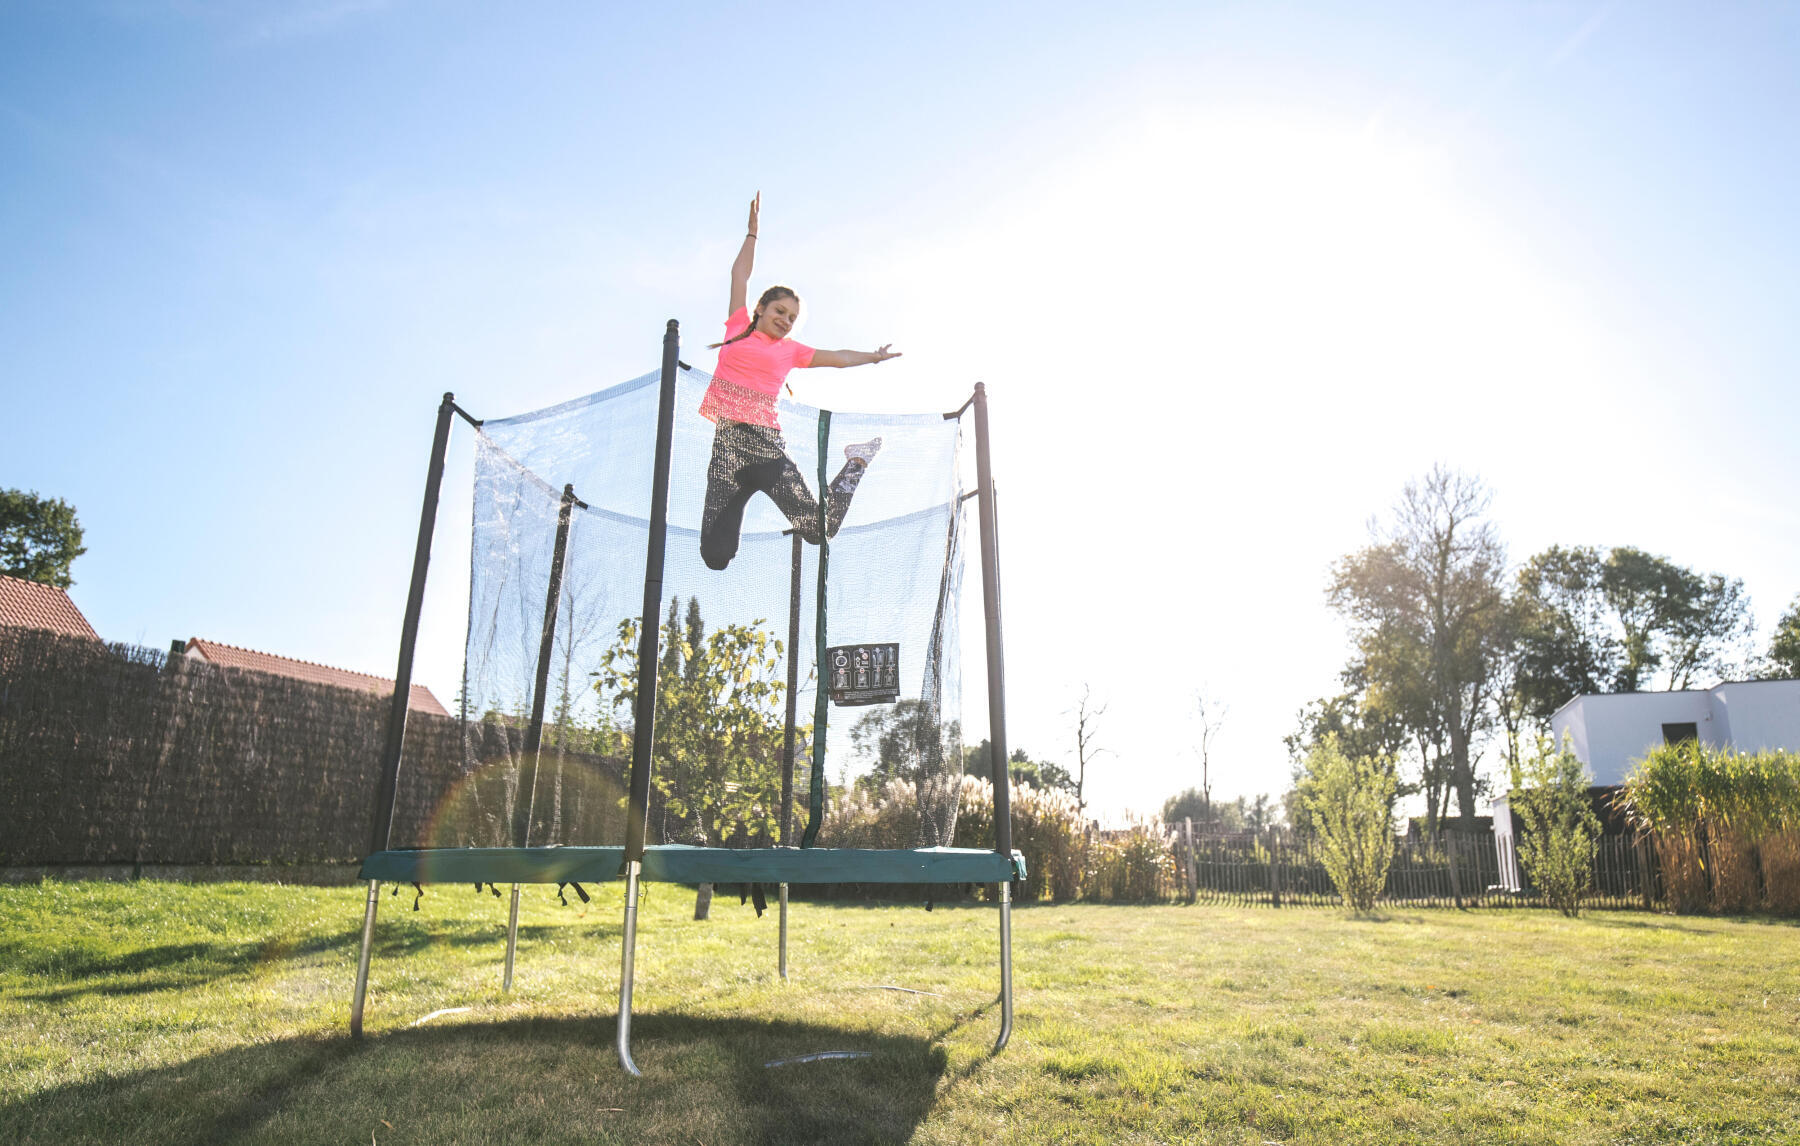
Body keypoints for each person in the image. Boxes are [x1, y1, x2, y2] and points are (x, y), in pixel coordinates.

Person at [698, 193, 901, 571]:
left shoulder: (790, 351)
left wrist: (874, 357)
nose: (785, 320)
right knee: (715, 556)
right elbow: (738, 275)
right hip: (727, 445)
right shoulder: (737, 329)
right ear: (760, 309)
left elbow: (839, 359)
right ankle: (720, 545)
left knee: (819, 530)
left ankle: (856, 460)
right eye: (779, 311)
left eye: (792, 317)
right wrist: (752, 234)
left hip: (763, 446)